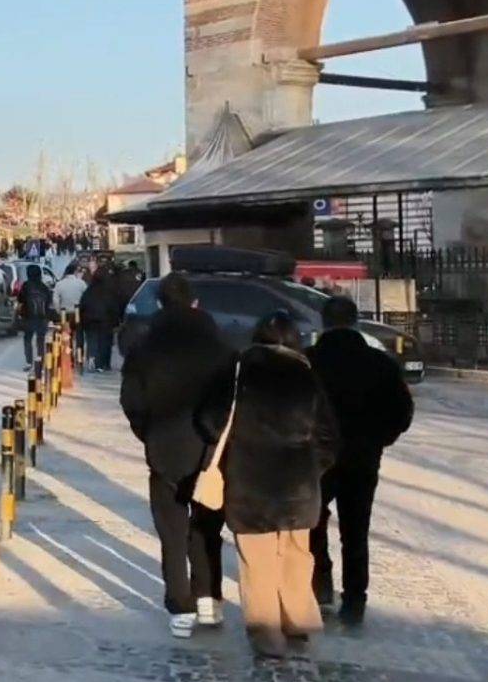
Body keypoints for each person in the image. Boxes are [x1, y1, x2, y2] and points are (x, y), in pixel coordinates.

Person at [203, 311, 338, 658]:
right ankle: (298, 621)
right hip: (298, 484)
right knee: (296, 553)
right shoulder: (306, 374)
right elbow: (328, 436)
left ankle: (266, 633)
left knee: (257, 559)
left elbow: (210, 420)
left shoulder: (238, 372)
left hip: (250, 481)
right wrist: (312, 467)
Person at [120, 272, 233, 639]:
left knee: (171, 530)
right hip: (210, 451)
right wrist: (216, 435)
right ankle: (209, 599)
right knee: (207, 526)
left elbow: (131, 400)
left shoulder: (144, 346)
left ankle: (180, 607)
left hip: (164, 447)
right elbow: (230, 400)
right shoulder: (220, 345)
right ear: (195, 302)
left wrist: (148, 432)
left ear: (160, 303)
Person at [305, 297, 412, 626]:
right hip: (363, 456)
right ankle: (354, 600)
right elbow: (402, 412)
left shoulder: (307, 361)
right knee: (355, 530)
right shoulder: (380, 364)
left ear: (323, 322)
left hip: (315, 458)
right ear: (356, 322)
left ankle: (320, 585)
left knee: (312, 523)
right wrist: (380, 439)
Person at [79, 267, 116, 372]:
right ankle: (102, 364)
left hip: (90, 320)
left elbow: (83, 305)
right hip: (105, 320)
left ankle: (92, 359)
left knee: (92, 340)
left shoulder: (89, 291)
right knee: (104, 341)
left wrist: (82, 319)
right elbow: (113, 307)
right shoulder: (109, 291)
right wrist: (115, 320)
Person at [17, 263, 54, 369]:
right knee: (40, 340)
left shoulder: (26, 286)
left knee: (27, 339)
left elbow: (20, 299)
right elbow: (49, 302)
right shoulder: (44, 287)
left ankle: (29, 362)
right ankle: (40, 361)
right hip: (42, 317)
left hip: (28, 317)